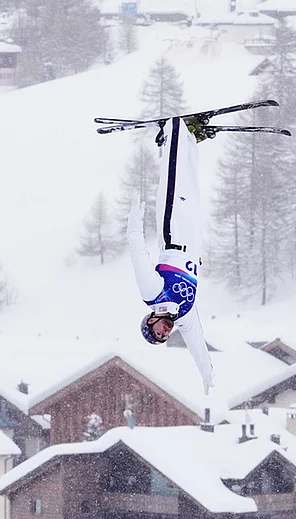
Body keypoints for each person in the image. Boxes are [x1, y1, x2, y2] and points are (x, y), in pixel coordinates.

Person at [127, 117, 215, 395]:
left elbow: (138, 253)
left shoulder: (153, 294)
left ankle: (173, 128)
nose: (165, 333)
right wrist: (207, 374)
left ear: (151, 321)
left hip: (174, 233)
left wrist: (134, 218)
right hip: (195, 240)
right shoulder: (185, 314)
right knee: (192, 181)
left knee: (175, 176)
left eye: (158, 332)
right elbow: (197, 345)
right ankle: (190, 138)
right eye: (164, 337)